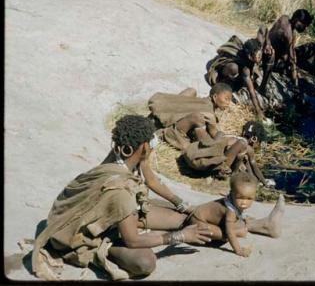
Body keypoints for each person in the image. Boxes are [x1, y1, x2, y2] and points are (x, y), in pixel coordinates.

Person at [32, 115, 213, 280]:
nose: (154, 144)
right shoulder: (121, 190)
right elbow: (132, 240)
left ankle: (136, 224)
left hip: (118, 210)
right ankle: (102, 250)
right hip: (88, 232)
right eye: (150, 142)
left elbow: (150, 179)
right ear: (143, 147)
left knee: (181, 218)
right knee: (145, 261)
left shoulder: (126, 154)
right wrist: (178, 237)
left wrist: (181, 204)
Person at [183, 172, 285, 257]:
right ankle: (243, 230)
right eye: (240, 198)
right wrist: (238, 250)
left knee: (236, 224)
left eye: (249, 199)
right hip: (197, 223)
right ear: (232, 194)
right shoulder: (230, 211)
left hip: (207, 219)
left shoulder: (232, 202)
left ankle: (260, 226)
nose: (244, 203)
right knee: (227, 233)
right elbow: (229, 232)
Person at [182, 120, 275, 187]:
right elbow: (254, 166)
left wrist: (253, 179)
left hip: (194, 158)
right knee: (242, 147)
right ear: (254, 139)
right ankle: (219, 172)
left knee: (224, 137)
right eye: (259, 142)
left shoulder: (232, 137)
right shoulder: (246, 146)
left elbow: (247, 165)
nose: (258, 146)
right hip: (206, 168)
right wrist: (264, 182)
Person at [148, 83, 233, 151]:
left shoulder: (201, 101)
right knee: (197, 118)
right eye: (226, 99)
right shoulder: (209, 114)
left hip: (164, 113)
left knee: (191, 91)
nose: (229, 103)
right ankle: (163, 133)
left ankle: (158, 118)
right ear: (215, 97)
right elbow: (215, 136)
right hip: (170, 129)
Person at [205, 30, 267, 120]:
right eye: (256, 55)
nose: (259, 57)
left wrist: (258, 110)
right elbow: (251, 90)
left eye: (259, 54)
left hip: (239, 72)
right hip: (223, 70)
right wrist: (258, 110)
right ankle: (223, 83)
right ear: (249, 56)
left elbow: (263, 29)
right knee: (233, 68)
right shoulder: (244, 66)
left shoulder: (250, 60)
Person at [260, 9, 314, 92]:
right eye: (304, 25)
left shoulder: (284, 18)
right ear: (297, 20)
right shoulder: (288, 35)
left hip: (265, 49)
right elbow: (291, 60)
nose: (304, 28)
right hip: (268, 59)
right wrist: (295, 83)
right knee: (291, 60)